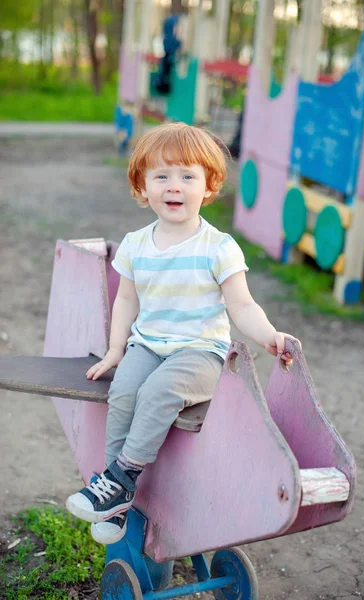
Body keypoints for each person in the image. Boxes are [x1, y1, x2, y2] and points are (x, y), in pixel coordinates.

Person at [66, 122, 299, 545]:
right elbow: (127, 302)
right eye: (161, 176)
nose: (174, 186)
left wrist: (268, 335)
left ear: (208, 186)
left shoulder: (218, 247)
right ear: (143, 187)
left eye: (187, 176)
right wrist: (117, 349)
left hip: (200, 352)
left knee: (157, 393)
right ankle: (116, 498)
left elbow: (241, 304)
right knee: (122, 394)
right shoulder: (137, 244)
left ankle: (120, 477)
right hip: (147, 344)